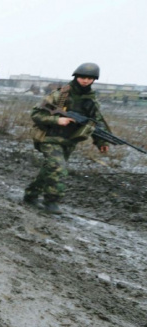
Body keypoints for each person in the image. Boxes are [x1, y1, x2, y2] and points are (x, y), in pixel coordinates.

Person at [25, 63, 110, 214]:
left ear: (94, 80)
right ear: (76, 76)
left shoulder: (91, 100)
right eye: (82, 77)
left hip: (69, 141)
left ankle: (31, 194)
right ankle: (51, 201)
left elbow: (96, 122)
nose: (85, 81)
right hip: (49, 138)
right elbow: (36, 114)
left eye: (89, 78)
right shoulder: (60, 95)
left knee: (50, 168)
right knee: (58, 167)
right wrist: (57, 120)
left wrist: (101, 142)